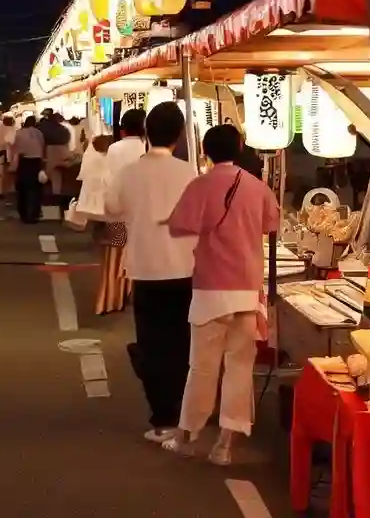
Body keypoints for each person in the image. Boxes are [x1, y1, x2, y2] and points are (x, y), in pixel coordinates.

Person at [163, 124, 280, 465]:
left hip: (210, 289)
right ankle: (225, 446)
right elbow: (271, 225)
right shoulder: (257, 188)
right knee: (240, 368)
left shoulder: (199, 185)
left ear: (205, 151)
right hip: (246, 290)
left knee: (201, 367)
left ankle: (186, 436)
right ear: (241, 146)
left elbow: (178, 225)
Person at [105, 103, 196, 443]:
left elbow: (111, 208)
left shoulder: (129, 173)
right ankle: (185, 413)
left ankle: (162, 418)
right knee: (182, 342)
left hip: (144, 268)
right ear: (178, 135)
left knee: (152, 343)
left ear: (145, 132)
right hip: (185, 267)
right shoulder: (189, 173)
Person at [92, 109, 147, 314]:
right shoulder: (146, 147)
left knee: (114, 255)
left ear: (123, 129)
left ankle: (112, 299)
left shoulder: (115, 148)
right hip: (141, 210)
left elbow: (107, 179)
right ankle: (132, 293)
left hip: (116, 208)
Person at [12, 115, 46, 223]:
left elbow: (16, 151)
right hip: (36, 162)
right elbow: (42, 147)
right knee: (35, 190)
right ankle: (33, 214)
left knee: (23, 189)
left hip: (24, 162)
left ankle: (23, 213)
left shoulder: (19, 133)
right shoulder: (39, 133)